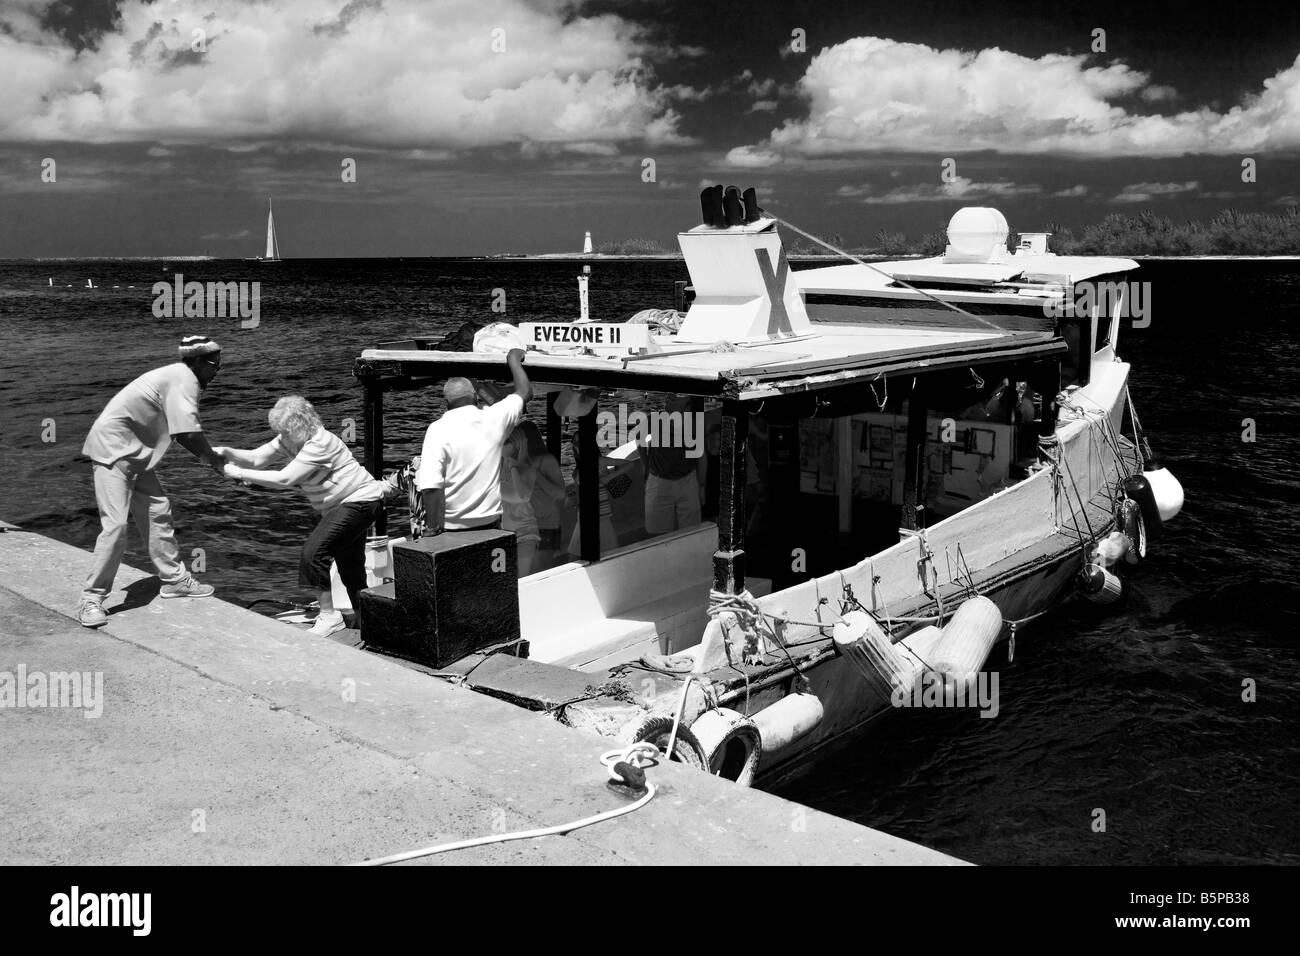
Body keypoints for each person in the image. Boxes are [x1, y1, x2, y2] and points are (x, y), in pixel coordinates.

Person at [77, 335, 227, 628]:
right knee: (116, 527)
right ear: (196, 362)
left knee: (158, 511)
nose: (217, 371)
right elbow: (187, 433)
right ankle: (90, 600)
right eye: (214, 365)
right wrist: (213, 461)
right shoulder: (184, 379)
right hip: (112, 452)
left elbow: (183, 429)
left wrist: (209, 457)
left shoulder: (178, 376)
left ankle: (174, 581)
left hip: (135, 455)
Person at [217, 396, 385, 638]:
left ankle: (329, 617)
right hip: (347, 506)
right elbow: (257, 458)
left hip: (360, 501)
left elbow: (285, 479)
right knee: (350, 568)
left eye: (284, 431)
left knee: (314, 553)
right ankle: (367, 620)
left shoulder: (319, 443)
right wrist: (225, 452)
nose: (281, 436)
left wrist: (238, 472)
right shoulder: (292, 438)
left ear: (299, 425)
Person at [417, 348, 530, 534]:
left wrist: (432, 528)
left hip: (452, 528)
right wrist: (513, 360)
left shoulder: (437, 429)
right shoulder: (494, 417)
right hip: (490, 522)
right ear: (476, 397)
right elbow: (525, 392)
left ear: (447, 402)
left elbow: (431, 487)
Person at [500, 421, 563, 576]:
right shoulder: (509, 466)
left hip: (546, 523)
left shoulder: (545, 460)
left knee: (539, 573)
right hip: (525, 523)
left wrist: (537, 475)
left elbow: (560, 494)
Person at [641, 394, 706, 535]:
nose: (669, 396)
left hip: (688, 481)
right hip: (658, 481)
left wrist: (701, 486)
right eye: (670, 395)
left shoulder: (695, 424)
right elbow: (639, 439)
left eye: (677, 396)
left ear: (688, 403)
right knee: (657, 534)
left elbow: (701, 455)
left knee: (691, 532)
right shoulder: (653, 420)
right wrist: (645, 466)